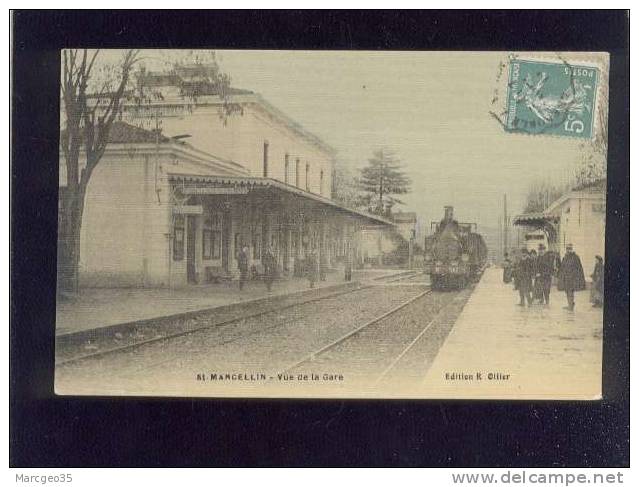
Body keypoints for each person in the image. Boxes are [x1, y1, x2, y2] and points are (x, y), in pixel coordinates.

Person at [557, 243, 586, 311]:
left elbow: (579, 268)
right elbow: (562, 267)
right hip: (566, 278)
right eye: (567, 249)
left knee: (570, 291)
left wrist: (578, 278)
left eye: (569, 249)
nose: (568, 250)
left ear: (572, 249)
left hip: (572, 278)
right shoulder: (565, 257)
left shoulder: (575, 257)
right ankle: (570, 304)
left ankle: (570, 306)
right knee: (567, 291)